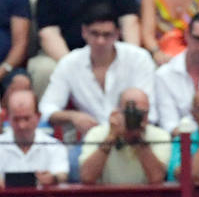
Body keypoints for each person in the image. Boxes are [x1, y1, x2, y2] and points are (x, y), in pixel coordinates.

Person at [40, 7, 156, 140]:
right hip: (90, 140)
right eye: (95, 34)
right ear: (84, 32)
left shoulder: (139, 58)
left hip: (134, 137)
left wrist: (120, 127)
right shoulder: (69, 63)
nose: (100, 41)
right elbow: (47, 108)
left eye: (107, 35)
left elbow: (149, 111)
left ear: (118, 34)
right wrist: (73, 116)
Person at [0, 88, 70, 188]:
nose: (22, 125)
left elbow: (62, 174)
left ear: (38, 117)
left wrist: (53, 178)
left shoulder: (55, 146)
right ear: (8, 118)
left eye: (27, 119)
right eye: (16, 119)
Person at [78, 87, 170, 184]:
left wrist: (139, 140)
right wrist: (111, 137)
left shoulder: (160, 136)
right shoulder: (97, 133)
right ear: (118, 112)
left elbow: (157, 178)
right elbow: (87, 177)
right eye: (130, 113)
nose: (137, 118)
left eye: (142, 113)